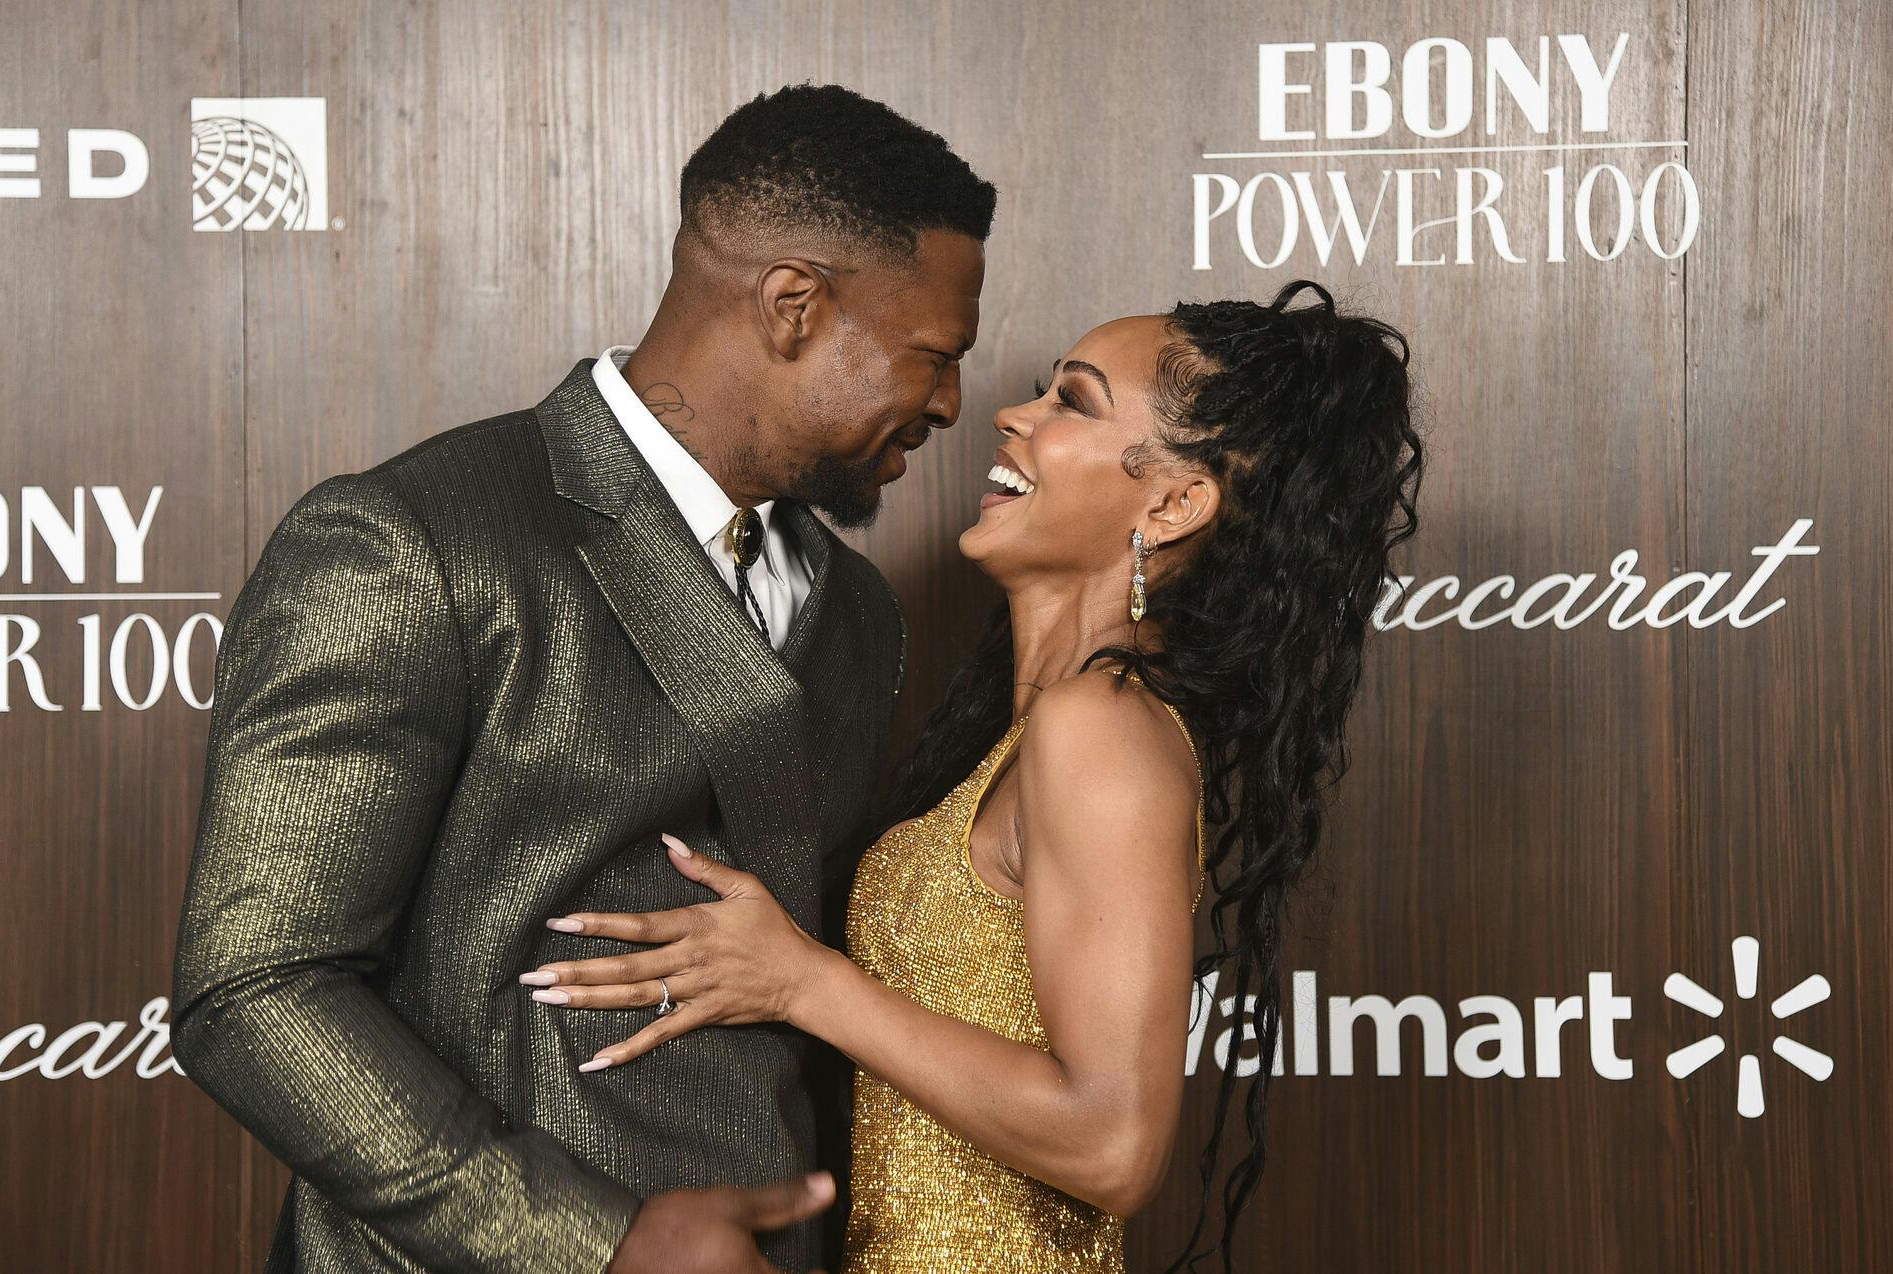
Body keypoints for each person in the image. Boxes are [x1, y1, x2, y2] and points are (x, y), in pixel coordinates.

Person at [170, 84, 993, 1274]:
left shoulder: (857, 611)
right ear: (793, 304)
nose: (952, 404)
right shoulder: (412, 539)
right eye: (932, 356)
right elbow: (254, 984)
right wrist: (594, 1239)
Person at [518, 280, 1425, 1272]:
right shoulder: (1039, 727)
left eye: (1073, 400)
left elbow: (1114, 1143)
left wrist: (800, 978)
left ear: (1173, 502)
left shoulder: (1102, 728)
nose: (1012, 412)